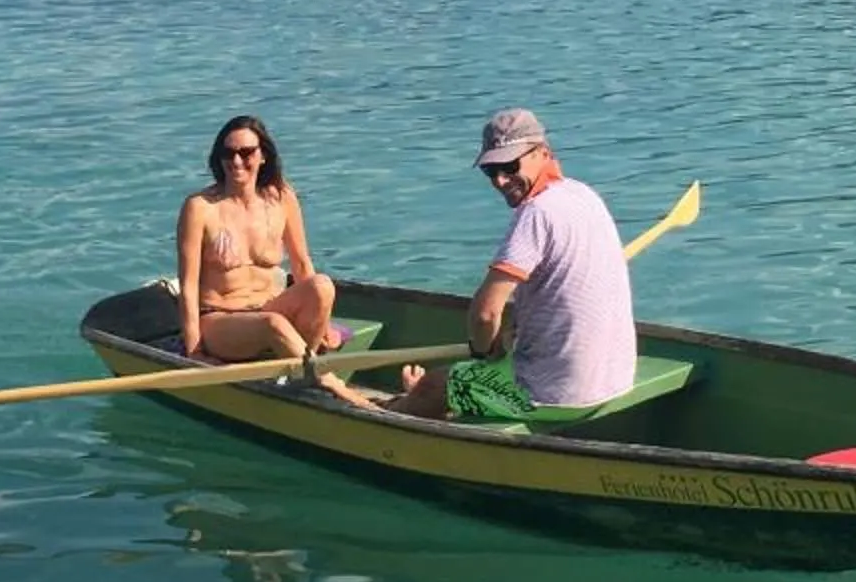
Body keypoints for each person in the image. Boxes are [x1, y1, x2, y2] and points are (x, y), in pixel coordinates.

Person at [384, 108, 636, 426]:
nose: (501, 180)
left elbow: (485, 313)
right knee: (460, 375)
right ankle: (431, 397)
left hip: (552, 394)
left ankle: (394, 410)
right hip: (616, 378)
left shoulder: (536, 213)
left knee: (435, 385)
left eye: (510, 166)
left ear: (543, 153)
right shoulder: (583, 195)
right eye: (490, 170)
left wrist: (482, 354)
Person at [175, 116, 348, 377]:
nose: (236, 161)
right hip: (221, 320)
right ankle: (327, 382)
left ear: (263, 156)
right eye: (228, 153)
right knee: (273, 323)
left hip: (268, 308)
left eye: (246, 152)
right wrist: (194, 350)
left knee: (322, 285)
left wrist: (323, 326)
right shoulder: (200, 208)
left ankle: (300, 371)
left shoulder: (282, 197)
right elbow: (188, 286)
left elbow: (301, 265)